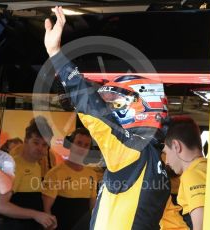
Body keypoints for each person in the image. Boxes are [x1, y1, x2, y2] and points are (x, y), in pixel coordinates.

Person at [42, 6, 170, 229]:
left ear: (143, 106)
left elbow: (92, 109)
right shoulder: (156, 162)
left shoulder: (132, 150)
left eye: (117, 104)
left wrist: (56, 54)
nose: (111, 110)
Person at [0, 116, 57, 230]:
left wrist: (45, 218)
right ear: (25, 141)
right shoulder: (14, 165)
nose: (40, 148)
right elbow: (1, 206)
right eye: (36, 143)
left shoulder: (36, 165)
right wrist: (36, 215)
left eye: (44, 145)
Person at [42, 128, 97, 230]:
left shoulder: (92, 175)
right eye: (79, 143)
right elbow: (46, 210)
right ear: (70, 145)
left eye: (86, 145)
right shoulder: (55, 173)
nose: (82, 148)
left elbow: (92, 207)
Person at [162, 116, 207, 230]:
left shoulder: (192, 175)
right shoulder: (207, 168)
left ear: (177, 146)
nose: (166, 161)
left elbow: (201, 226)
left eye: (166, 152)